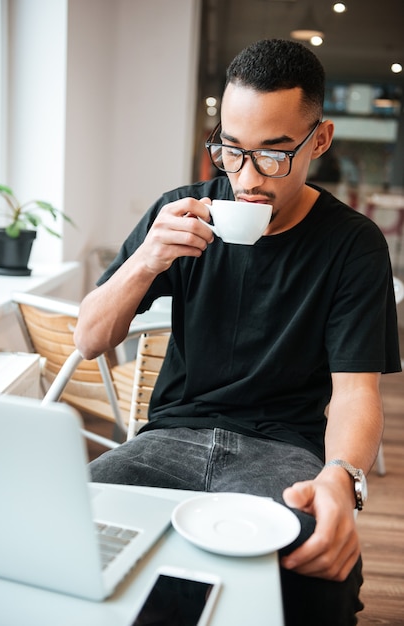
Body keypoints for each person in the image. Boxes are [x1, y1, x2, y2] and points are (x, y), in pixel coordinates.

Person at [74, 39, 401, 625]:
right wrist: (147, 259)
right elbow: (90, 339)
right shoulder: (180, 213)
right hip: (167, 439)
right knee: (66, 531)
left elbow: (356, 392)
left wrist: (341, 477)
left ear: (318, 141)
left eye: (274, 155)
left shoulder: (353, 244)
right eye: (231, 150)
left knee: (318, 574)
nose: (246, 179)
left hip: (282, 454)